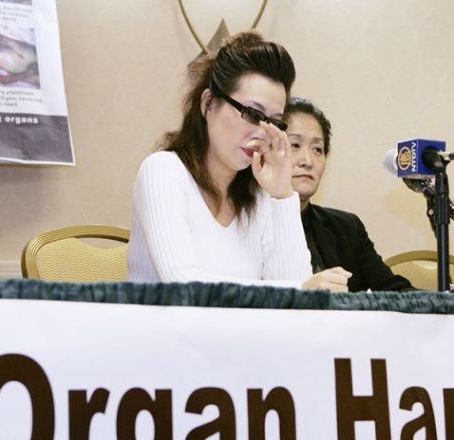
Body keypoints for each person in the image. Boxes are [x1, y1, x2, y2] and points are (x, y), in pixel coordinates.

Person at [128, 31, 349, 291]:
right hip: (164, 331)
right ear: (209, 104)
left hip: (241, 333)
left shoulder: (260, 195)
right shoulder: (163, 171)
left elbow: (297, 305)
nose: (262, 132)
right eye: (252, 114)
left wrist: (282, 194)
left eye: (274, 122)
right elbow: (184, 284)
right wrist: (298, 290)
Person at [284, 97, 413, 292]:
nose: (307, 161)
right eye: (295, 145)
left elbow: (392, 289)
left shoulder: (346, 227)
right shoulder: (246, 222)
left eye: (317, 149)